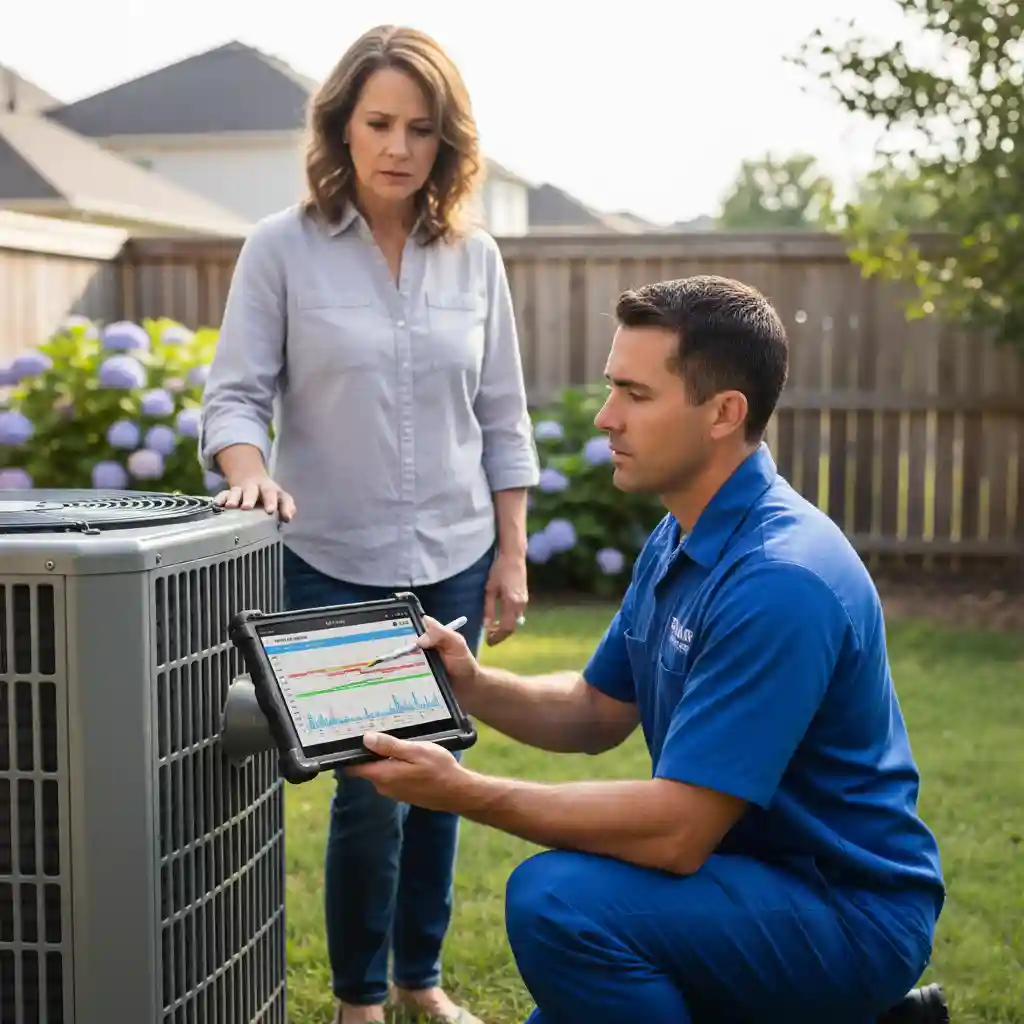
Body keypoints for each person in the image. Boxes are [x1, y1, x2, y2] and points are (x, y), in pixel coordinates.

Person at [345, 275, 946, 1024]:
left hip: (844, 910)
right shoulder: (682, 536)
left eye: (636, 394)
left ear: (724, 413)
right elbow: (597, 709)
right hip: (746, 879)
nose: (605, 418)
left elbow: (676, 832)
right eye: (611, 389)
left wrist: (465, 793)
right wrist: (471, 686)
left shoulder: (780, 580)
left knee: (559, 904)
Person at [199, 24, 539, 1024]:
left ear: (446, 144)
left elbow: (503, 417)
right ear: (343, 127)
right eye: (379, 123)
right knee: (371, 787)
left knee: (441, 774)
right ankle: (358, 998)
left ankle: (418, 977)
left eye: (420, 129)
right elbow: (233, 398)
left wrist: (510, 552)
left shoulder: (474, 259)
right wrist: (250, 473)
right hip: (333, 560)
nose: (397, 147)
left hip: (454, 553)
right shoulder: (280, 248)